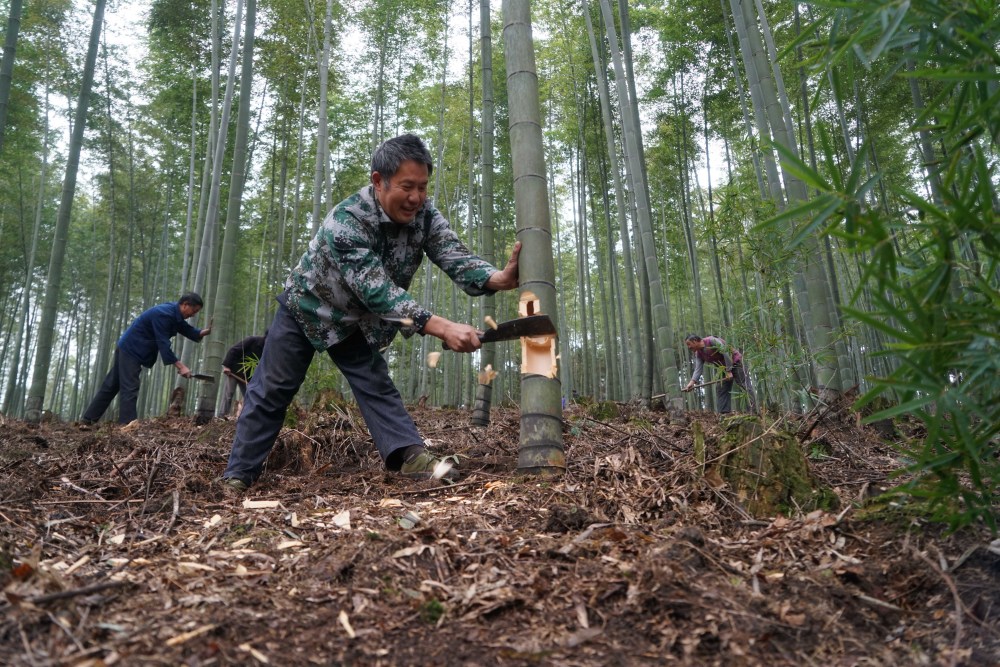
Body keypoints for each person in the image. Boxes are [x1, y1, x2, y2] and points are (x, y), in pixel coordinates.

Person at [221, 134, 520, 491]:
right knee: (272, 388)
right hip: (308, 306)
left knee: (375, 383)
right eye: (407, 187)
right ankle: (238, 476)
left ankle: (410, 458)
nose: (416, 198)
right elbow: (377, 291)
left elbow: (454, 255)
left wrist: (498, 279)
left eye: (423, 187)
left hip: (356, 320)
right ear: (379, 181)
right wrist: (442, 327)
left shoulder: (425, 216)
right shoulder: (346, 221)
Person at [81, 293, 212, 424]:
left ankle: (88, 419)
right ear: (185, 305)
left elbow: (186, 329)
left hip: (129, 347)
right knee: (130, 386)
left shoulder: (174, 313)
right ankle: (127, 424)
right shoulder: (164, 314)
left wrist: (205, 332)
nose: (193, 315)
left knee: (111, 385)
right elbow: (163, 343)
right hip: (131, 349)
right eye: (193, 311)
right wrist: (181, 366)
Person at [682, 334, 757, 414]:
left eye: (689, 344)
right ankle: (724, 414)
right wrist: (692, 382)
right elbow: (698, 369)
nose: (689, 347)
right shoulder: (698, 353)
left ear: (695, 341)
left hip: (736, 362)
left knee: (744, 385)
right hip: (723, 368)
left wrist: (729, 371)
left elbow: (726, 353)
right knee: (721, 388)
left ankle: (753, 412)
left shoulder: (711, 341)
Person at [218, 332, 267, 417]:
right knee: (229, 394)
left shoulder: (267, 350)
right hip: (234, 371)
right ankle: (222, 416)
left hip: (247, 377)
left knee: (249, 396)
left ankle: (246, 417)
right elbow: (234, 349)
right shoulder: (253, 340)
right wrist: (227, 366)